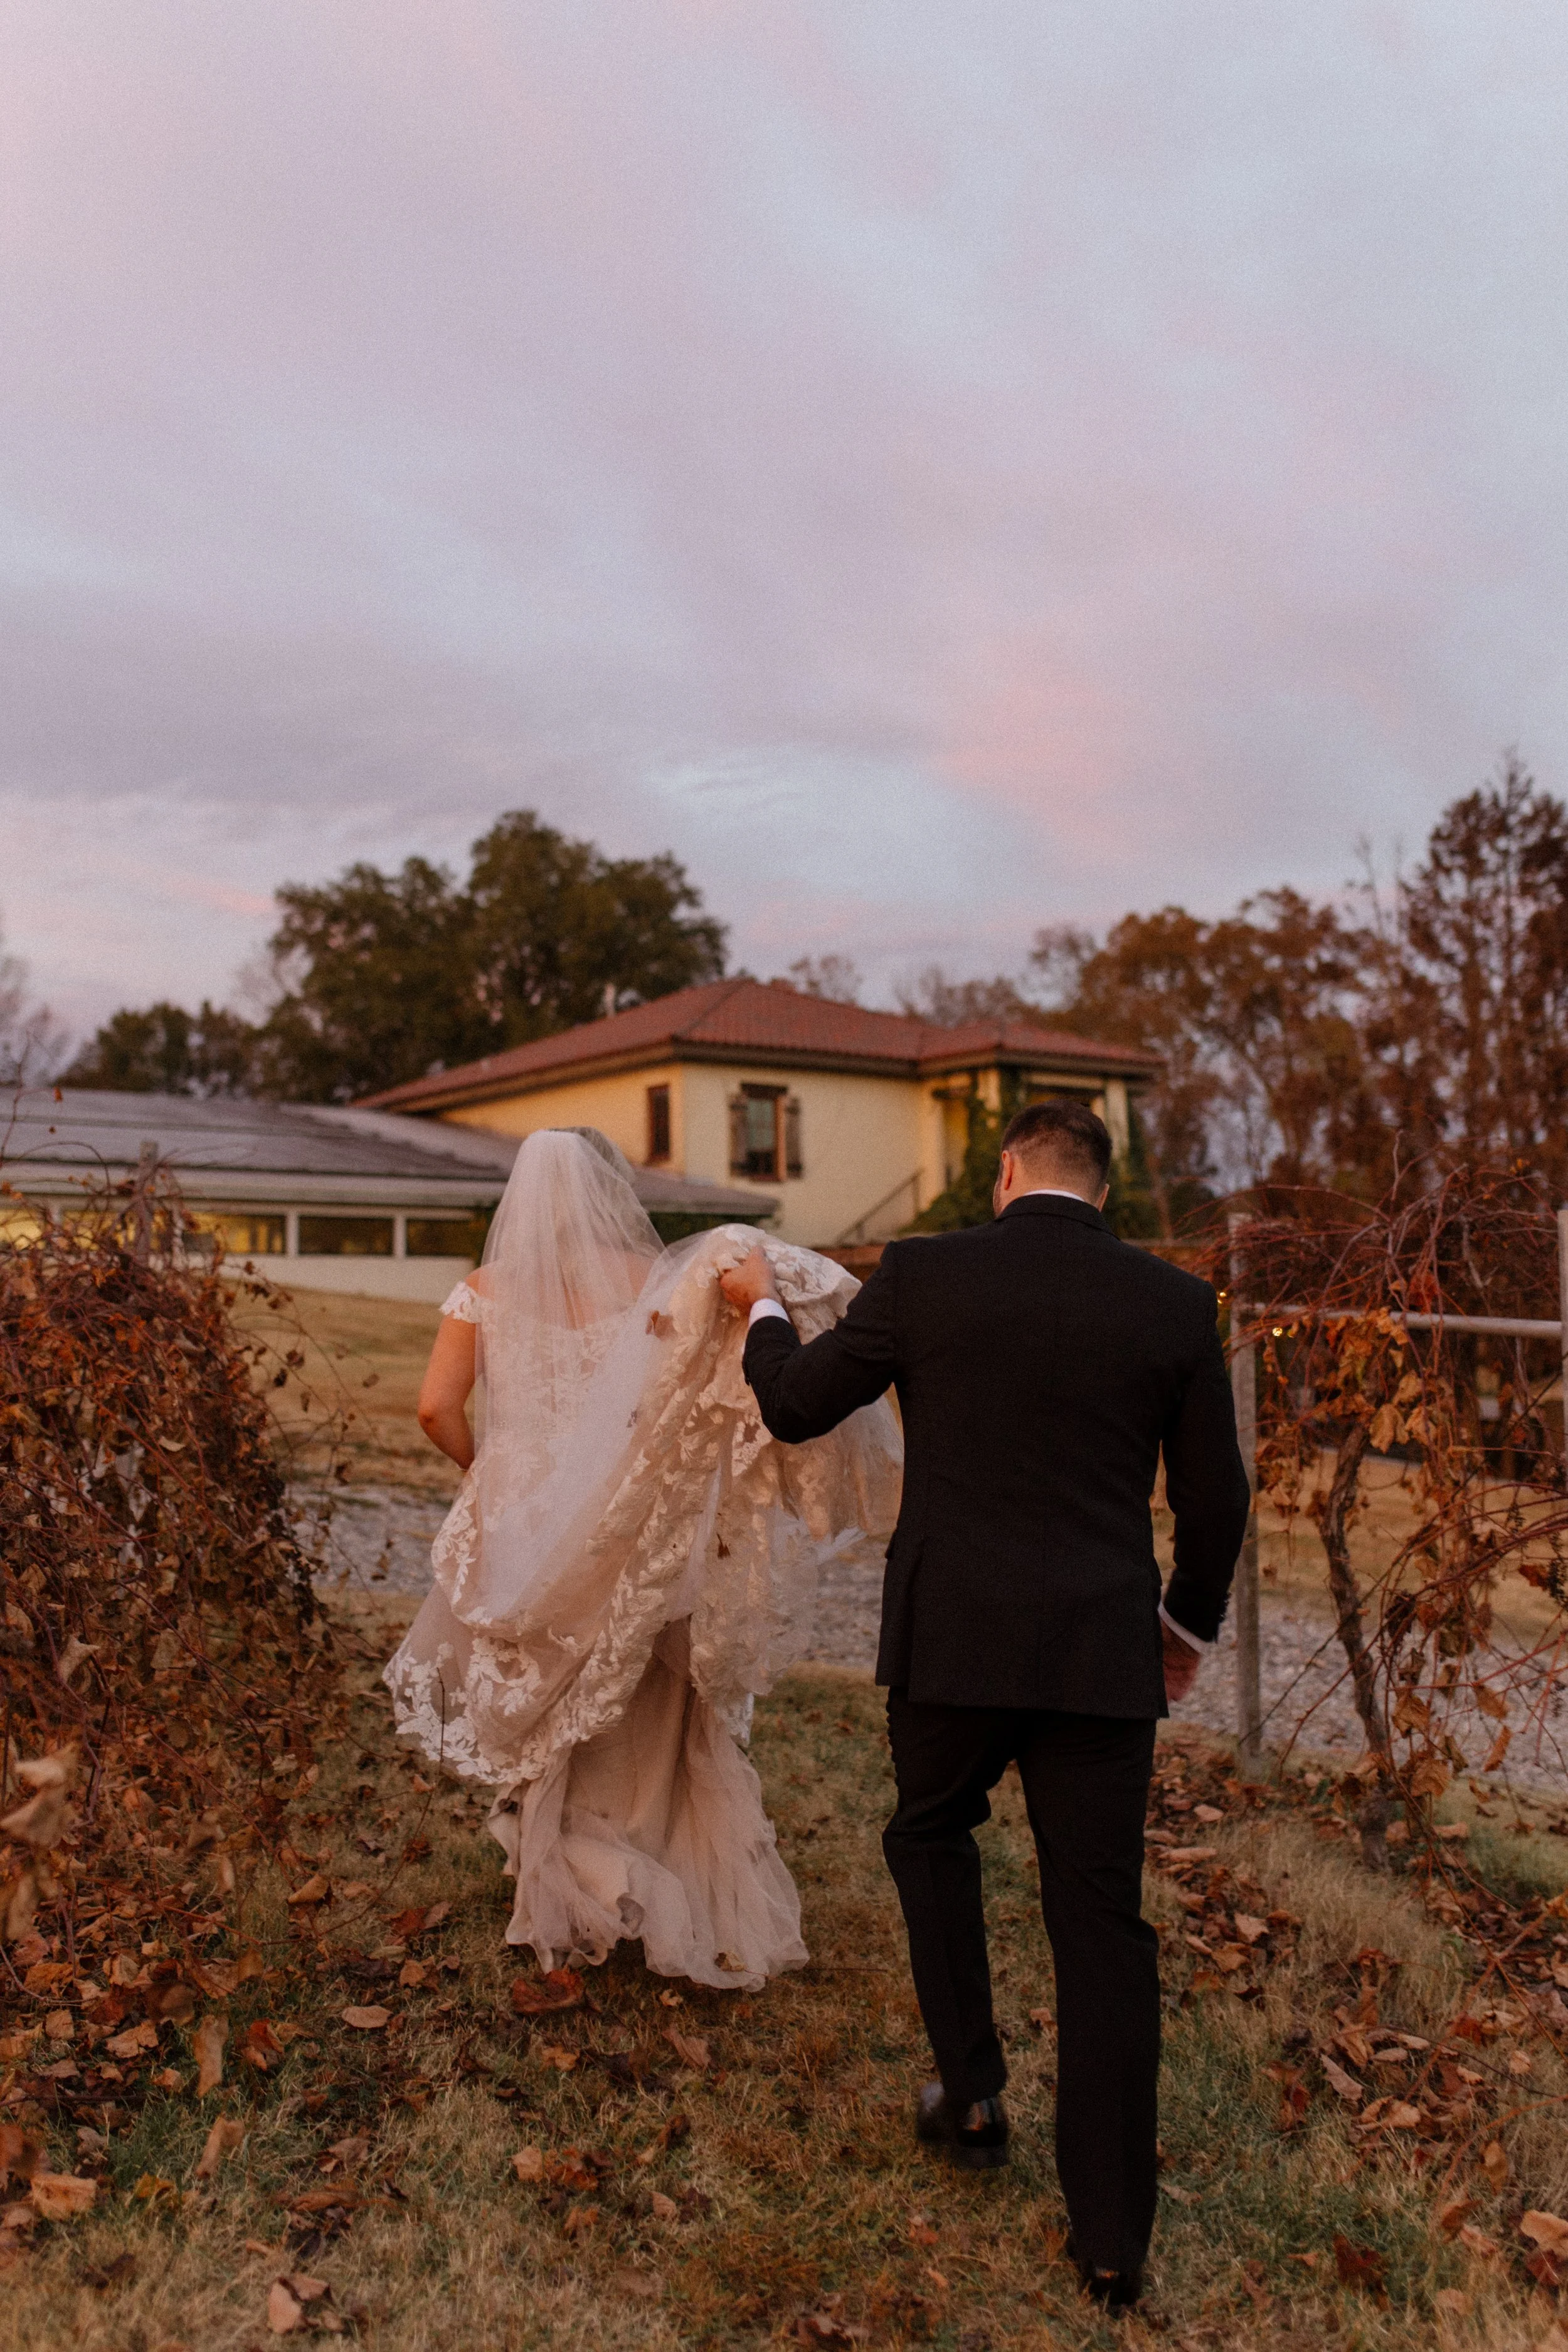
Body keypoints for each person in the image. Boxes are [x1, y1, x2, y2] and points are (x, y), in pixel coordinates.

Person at [721, 1098, 1249, 2309]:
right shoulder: (1173, 1303)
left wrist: (758, 1303)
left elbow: (797, 1399)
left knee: (927, 1832)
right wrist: (1182, 1625)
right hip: (1098, 1657)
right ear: (1104, 1193)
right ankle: (1113, 2240)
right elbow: (1217, 1503)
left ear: (1007, 1174)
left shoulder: (925, 1273)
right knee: (1101, 1925)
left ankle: (969, 2090)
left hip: (953, 1639)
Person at [385, 1126, 901, 1993]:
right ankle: (659, 1852)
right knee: (655, 1689)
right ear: (613, 1192)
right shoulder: (659, 1285)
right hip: (639, 1511)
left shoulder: (483, 1290)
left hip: (528, 1519)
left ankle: (561, 1861)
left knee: (548, 1690)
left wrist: (487, 1469)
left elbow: (436, 1407)